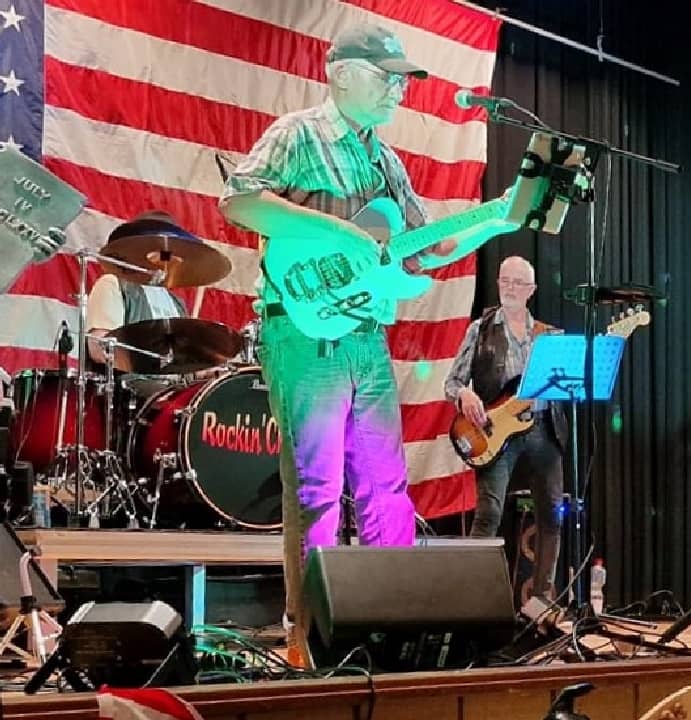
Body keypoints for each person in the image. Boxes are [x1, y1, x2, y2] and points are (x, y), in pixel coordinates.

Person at [219, 24, 508, 665]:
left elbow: (427, 247)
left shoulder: (385, 158)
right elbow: (237, 200)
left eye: (403, 79)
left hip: (365, 334)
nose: (399, 91)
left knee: (385, 485)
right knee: (317, 488)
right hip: (302, 329)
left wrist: (499, 217)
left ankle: (392, 626)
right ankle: (309, 638)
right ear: (343, 73)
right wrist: (335, 231)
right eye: (388, 77)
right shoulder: (300, 134)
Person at [443, 256, 566, 601]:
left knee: (552, 514)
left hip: (544, 429)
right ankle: (473, 599)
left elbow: (569, 385)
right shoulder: (479, 329)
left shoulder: (550, 336)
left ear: (532, 290)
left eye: (518, 283)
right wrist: (465, 394)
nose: (510, 288)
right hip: (495, 434)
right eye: (505, 280)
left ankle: (542, 603)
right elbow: (451, 382)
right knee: (489, 513)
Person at [85, 212, 189, 366]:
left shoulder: (178, 304)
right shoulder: (114, 284)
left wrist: (209, 370)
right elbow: (100, 349)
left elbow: (185, 364)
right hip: (130, 385)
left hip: (172, 387)